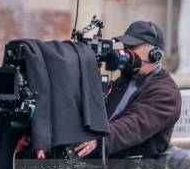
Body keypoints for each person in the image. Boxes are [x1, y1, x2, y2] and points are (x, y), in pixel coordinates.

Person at [75, 20, 182, 159]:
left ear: (154, 54)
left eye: (133, 47)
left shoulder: (166, 93)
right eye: (125, 47)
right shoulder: (126, 79)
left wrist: (99, 140)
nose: (125, 52)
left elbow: (133, 125)